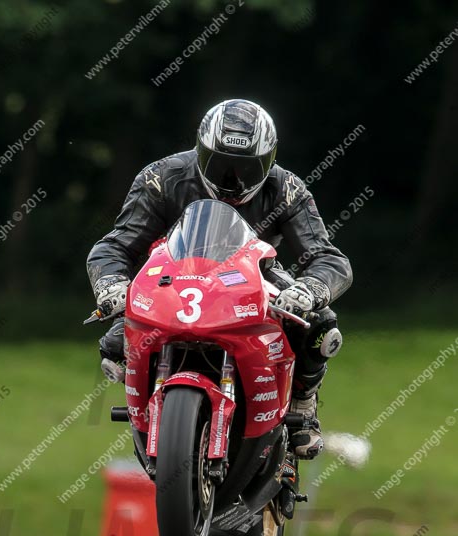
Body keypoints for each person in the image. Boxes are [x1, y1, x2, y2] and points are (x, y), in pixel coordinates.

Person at [87, 99, 352, 459]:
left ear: (269, 161)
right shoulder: (161, 178)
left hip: (254, 278)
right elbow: (114, 246)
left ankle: (303, 409)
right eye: (221, 165)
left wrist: (309, 289)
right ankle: (149, 415)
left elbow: (328, 257)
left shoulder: (287, 188)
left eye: (247, 168)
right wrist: (112, 286)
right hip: (171, 281)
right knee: (115, 344)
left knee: (319, 325)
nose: (233, 181)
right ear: (200, 151)